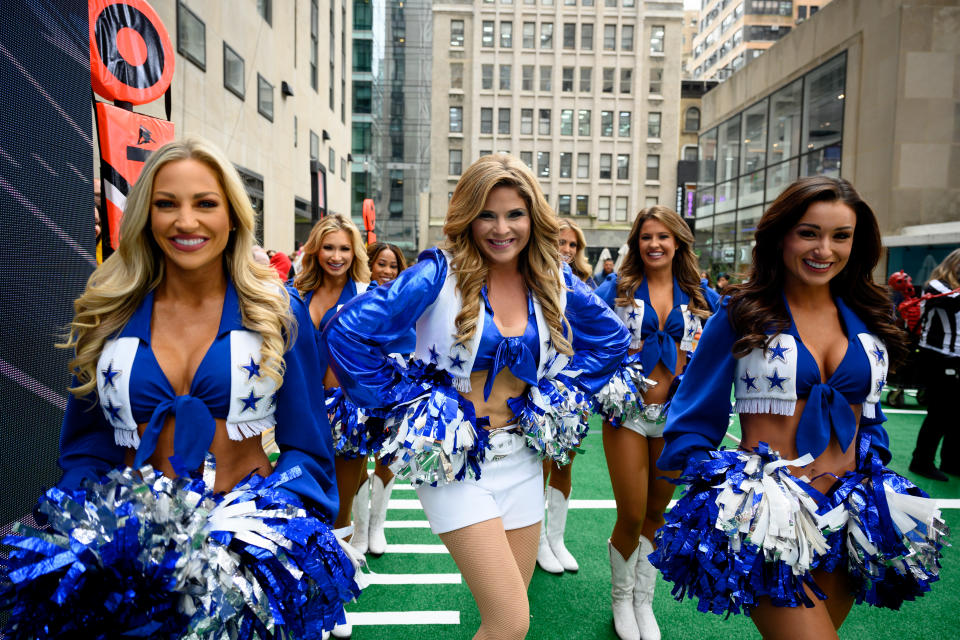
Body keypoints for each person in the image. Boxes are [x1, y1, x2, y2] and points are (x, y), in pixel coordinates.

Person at [4, 139, 360, 636]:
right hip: (131, 561)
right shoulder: (107, 314)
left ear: (232, 216)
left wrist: (267, 527)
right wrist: (93, 529)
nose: (185, 221)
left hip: (246, 559)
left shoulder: (277, 312)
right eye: (166, 204)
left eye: (205, 204)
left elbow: (309, 447)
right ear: (145, 217)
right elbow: (86, 444)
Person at [324, 154, 629, 639]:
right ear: (468, 215)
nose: (501, 228)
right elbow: (347, 334)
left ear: (534, 217)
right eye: (487, 214)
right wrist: (410, 400)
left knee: (507, 623)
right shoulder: (436, 273)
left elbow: (612, 338)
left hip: (524, 458)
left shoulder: (553, 277)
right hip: (456, 466)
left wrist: (562, 392)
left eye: (514, 214)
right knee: (510, 621)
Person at [653, 177, 945, 639]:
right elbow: (693, 414)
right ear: (781, 235)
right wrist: (725, 494)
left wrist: (874, 478)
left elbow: (871, 418)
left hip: (851, 515)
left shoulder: (870, 315)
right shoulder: (741, 313)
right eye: (809, 233)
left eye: (840, 236)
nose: (824, 249)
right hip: (770, 520)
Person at [593, 205, 719, 640]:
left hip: (676, 419)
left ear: (678, 242)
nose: (654, 244)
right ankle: (620, 600)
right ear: (636, 242)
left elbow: (725, 345)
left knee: (656, 512)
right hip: (627, 413)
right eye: (646, 236)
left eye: (663, 236)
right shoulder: (618, 287)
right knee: (630, 512)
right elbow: (581, 330)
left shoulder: (701, 294)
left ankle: (644, 602)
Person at [293, 214, 371, 639]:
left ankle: (334, 603)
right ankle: (308, 592)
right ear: (315, 250)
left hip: (350, 413)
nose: (337, 256)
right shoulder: (295, 293)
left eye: (344, 248)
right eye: (329, 248)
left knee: (339, 511)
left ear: (354, 252)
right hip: (302, 411)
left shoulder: (369, 295)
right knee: (305, 507)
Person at [536, 219, 595, 576]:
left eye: (573, 244)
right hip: (540, 386)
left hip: (573, 388)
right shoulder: (534, 279)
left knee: (565, 463)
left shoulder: (585, 285)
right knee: (541, 463)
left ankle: (557, 538)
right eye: (561, 242)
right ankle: (540, 539)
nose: (567, 250)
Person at [349, 241, 412, 558]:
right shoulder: (357, 297)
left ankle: (377, 526)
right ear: (369, 265)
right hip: (359, 390)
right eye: (381, 264)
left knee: (388, 458)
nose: (387, 271)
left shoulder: (408, 300)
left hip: (395, 390)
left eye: (393, 266)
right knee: (358, 457)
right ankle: (359, 530)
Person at [909, 248, 960, 480]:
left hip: (957, 357)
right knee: (939, 413)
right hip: (937, 357)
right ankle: (921, 461)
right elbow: (952, 303)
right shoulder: (937, 286)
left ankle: (952, 461)